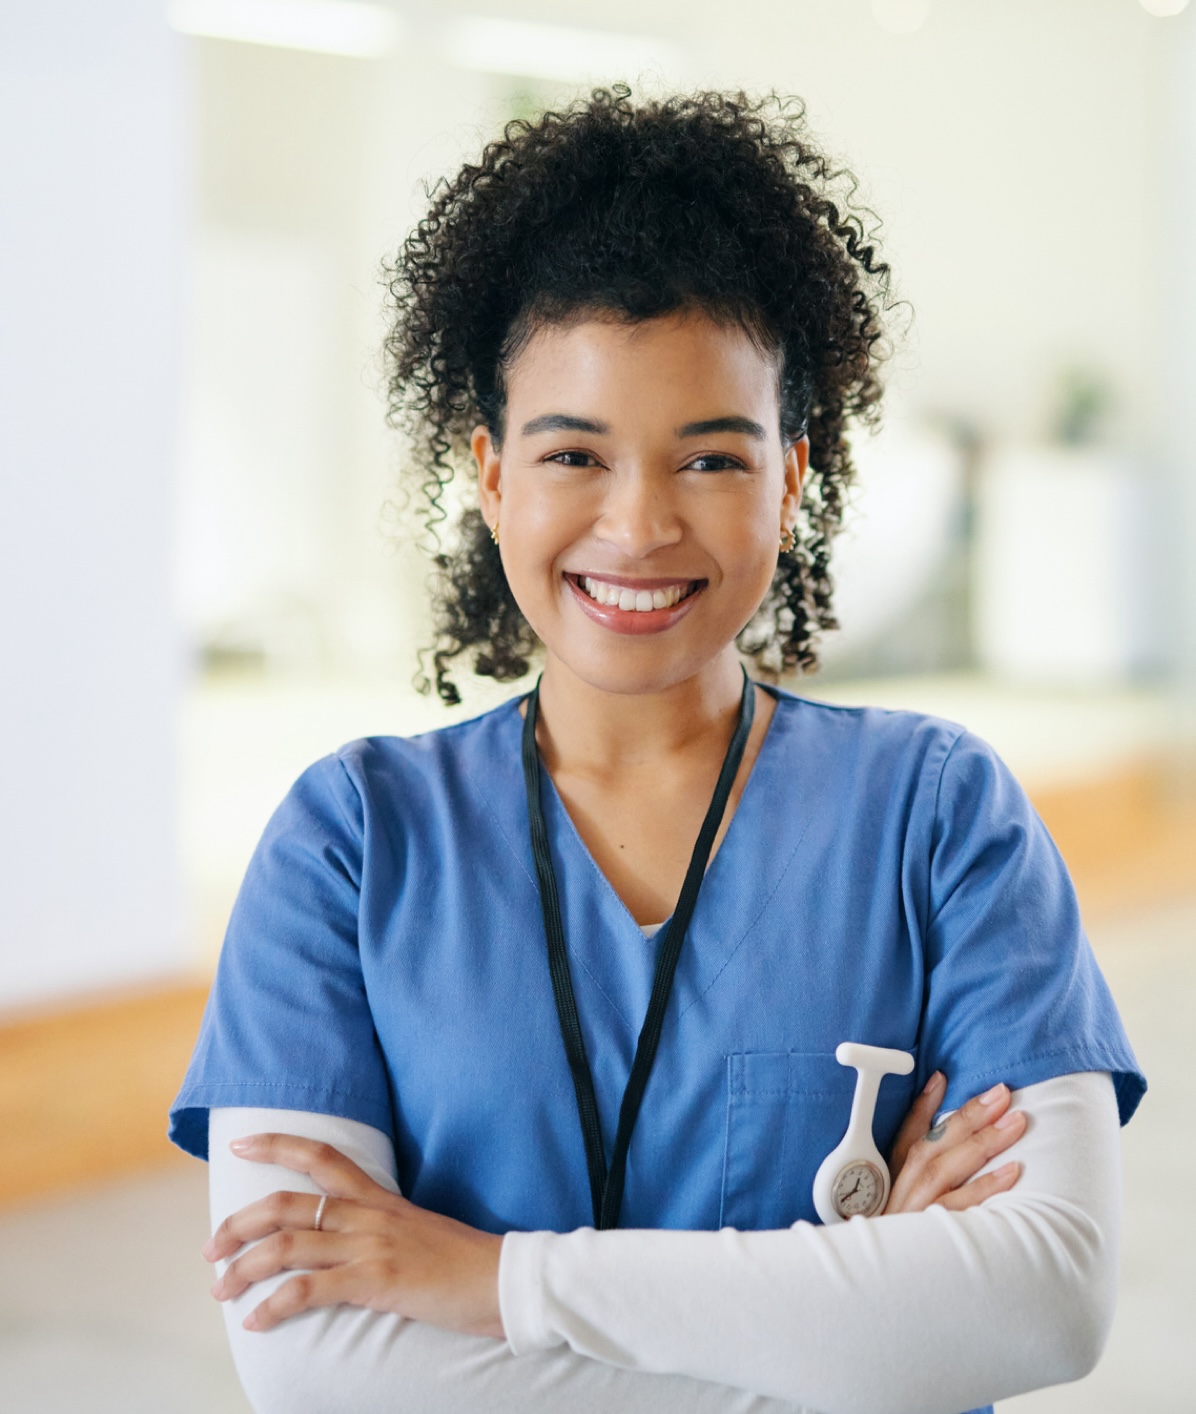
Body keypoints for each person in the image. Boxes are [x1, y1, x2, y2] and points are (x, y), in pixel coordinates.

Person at [170, 89, 1145, 1414]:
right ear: (494, 473)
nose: (635, 527)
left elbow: (1045, 1292)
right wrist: (857, 1322)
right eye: (574, 451)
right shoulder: (351, 843)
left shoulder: (937, 815)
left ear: (793, 478)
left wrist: (499, 1280)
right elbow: (312, 1358)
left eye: (711, 459)